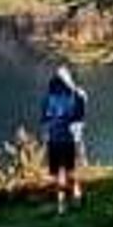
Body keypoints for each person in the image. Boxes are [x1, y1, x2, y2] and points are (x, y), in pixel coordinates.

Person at [39, 65, 89, 213]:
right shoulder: (74, 96)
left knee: (58, 173)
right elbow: (80, 114)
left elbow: (44, 120)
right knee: (71, 169)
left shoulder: (48, 99)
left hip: (54, 139)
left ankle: (61, 205)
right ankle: (77, 197)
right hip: (69, 138)